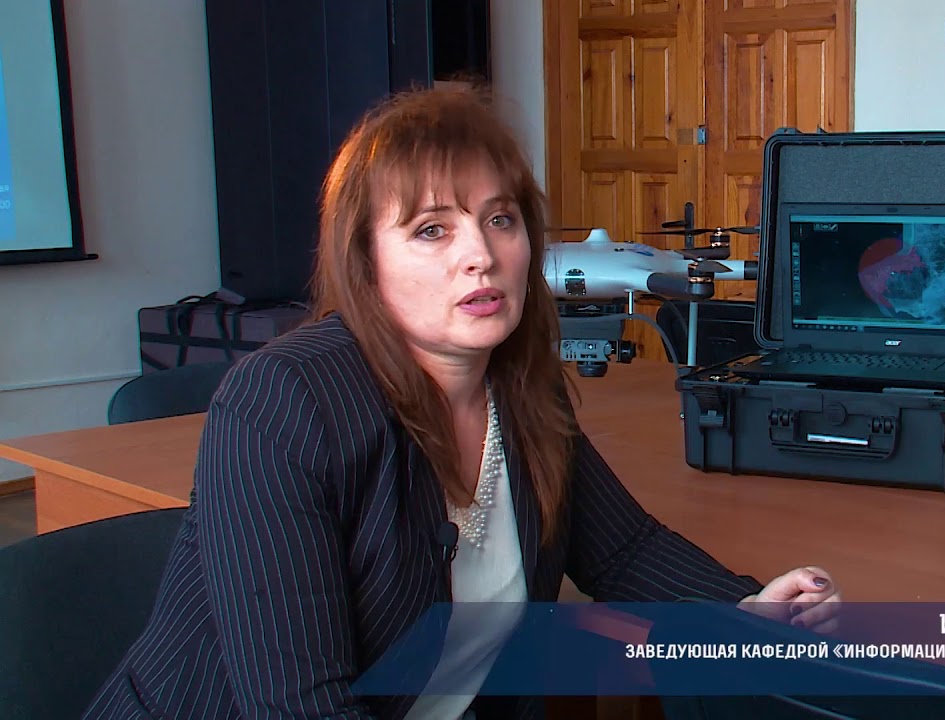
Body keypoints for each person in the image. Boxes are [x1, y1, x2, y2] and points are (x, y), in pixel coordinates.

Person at [84, 85, 842, 720]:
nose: (481, 254)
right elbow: (301, 708)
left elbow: (622, 550)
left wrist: (745, 609)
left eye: (500, 219)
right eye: (431, 230)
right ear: (365, 262)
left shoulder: (520, 385)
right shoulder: (285, 402)